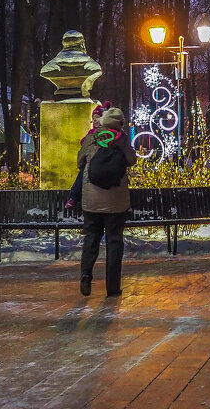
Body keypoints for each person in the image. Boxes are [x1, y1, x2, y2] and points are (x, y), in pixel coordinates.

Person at [66, 106, 135, 298]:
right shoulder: (122, 139)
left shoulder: (92, 138)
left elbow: (80, 162)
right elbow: (132, 160)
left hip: (91, 199)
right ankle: (113, 288)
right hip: (116, 201)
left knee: (91, 238)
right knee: (114, 242)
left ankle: (86, 275)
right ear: (120, 124)